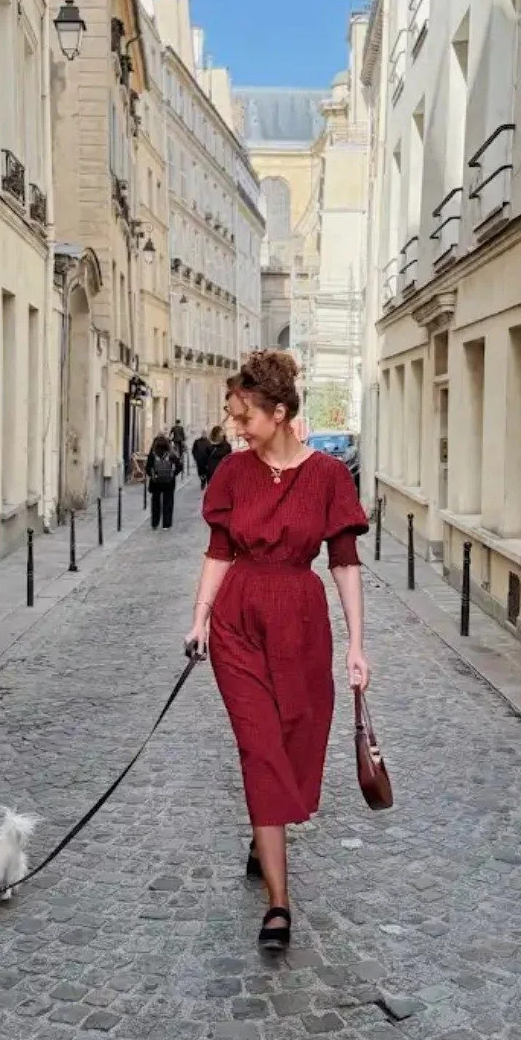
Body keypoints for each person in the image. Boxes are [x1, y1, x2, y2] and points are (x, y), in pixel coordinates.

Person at [184, 350, 370, 951]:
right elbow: (218, 550)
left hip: (300, 619)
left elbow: (344, 564)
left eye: (245, 417)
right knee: (258, 745)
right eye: (234, 417)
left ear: (281, 412)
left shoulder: (330, 477)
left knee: (295, 732)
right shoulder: (234, 474)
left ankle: (262, 831)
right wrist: (200, 620)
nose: (237, 428)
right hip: (239, 617)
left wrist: (356, 645)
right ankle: (279, 904)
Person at [145, 434, 182, 529]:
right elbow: (179, 466)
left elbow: (148, 467)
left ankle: (155, 523)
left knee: (155, 503)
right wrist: (173, 474)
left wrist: (153, 476)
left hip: (156, 482)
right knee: (168, 502)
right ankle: (167, 524)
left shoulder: (153, 453)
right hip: (169, 482)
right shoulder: (170, 453)